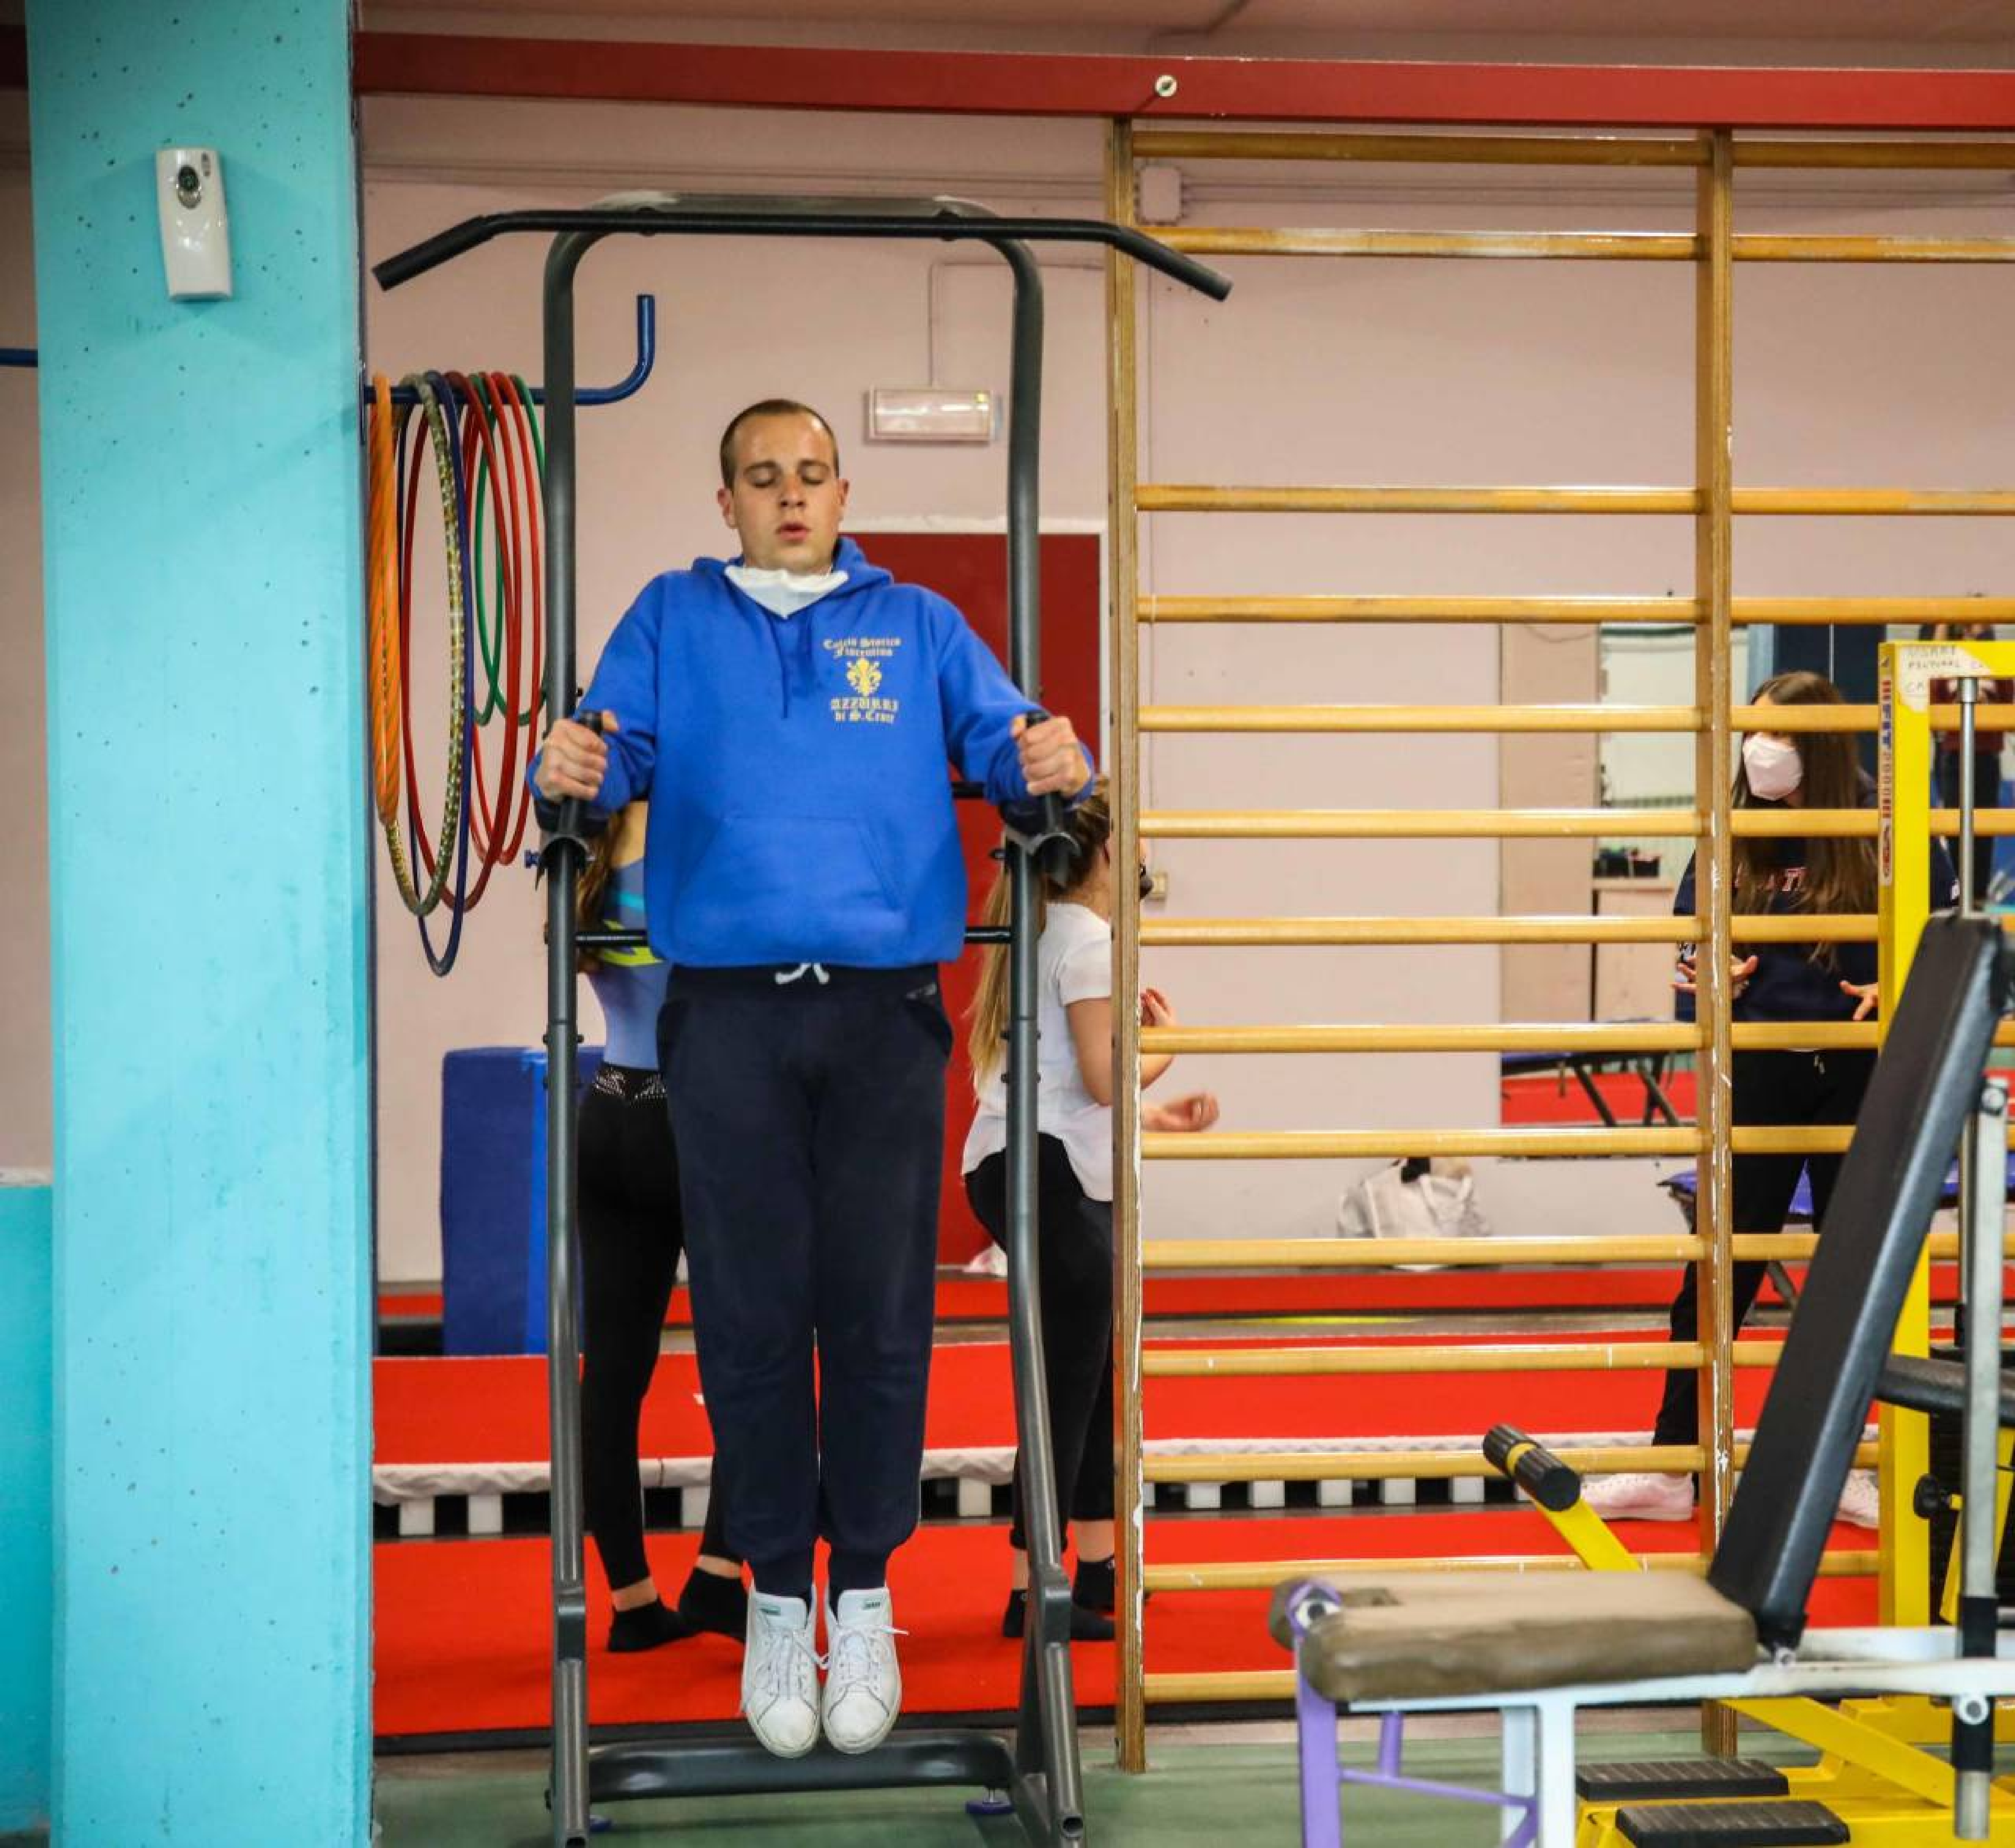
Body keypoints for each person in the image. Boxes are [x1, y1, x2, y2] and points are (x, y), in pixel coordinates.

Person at [532, 399, 1093, 1759]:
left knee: (881, 1312)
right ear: (723, 500)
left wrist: (1053, 765)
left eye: (809, 475)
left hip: (880, 1017)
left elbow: (1026, 769)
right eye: (759, 478)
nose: (788, 496)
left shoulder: (914, 629)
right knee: (749, 1316)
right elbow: (599, 772)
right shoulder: (672, 618)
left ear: (844, 491)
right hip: (722, 1024)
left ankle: (865, 1593)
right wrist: (571, 770)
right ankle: (777, 1597)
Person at [1585, 671, 1957, 1529]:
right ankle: (1673, 1460)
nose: (1761, 748)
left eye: (1781, 735)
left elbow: (1938, 941)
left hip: (1857, 1076)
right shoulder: (1731, 829)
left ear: (1819, 748)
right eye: (1754, 730)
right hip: (1757, 1073)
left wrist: (1891, 987)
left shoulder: (1879, 823)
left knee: (1851, 1278)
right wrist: (1715, 973)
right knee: (1716, 1271)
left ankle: (1850, 1464)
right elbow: (1690, 949)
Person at [959, 782, 1220, 1642]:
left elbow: (1061, 1090)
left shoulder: (1041, 928)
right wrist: (1165, 1053)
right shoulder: (1090, 941)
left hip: (1020, 1160)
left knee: (1090, 1372)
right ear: (1110, 854)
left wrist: (1153, 1114)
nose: (1148, 863)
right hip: (1042, 1172)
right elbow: (1105, 1078)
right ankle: (1029, 1589)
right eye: (1138, 845)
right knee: (1067, 1388)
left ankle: (1100, 1572)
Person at [574, 801, 745, 1652]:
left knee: (611, 1373)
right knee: (754, 1354)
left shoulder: (580, 854)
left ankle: (631, 1601)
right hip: (691, 1124)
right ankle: (717, 1574)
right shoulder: (691, 844)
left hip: (607, 1111)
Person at [1922, 618, 2004, 905]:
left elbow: (2008, 694)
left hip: (1987, 755)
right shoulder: (1947, 664)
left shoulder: (1994, 667)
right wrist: (1943, 628)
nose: (1970, 630)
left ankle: (1979, 895)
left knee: (1984, 826)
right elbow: (1930, 694)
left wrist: (1984, 637)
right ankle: (1958, 892)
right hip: (1953, 753)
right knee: (1956, 825)